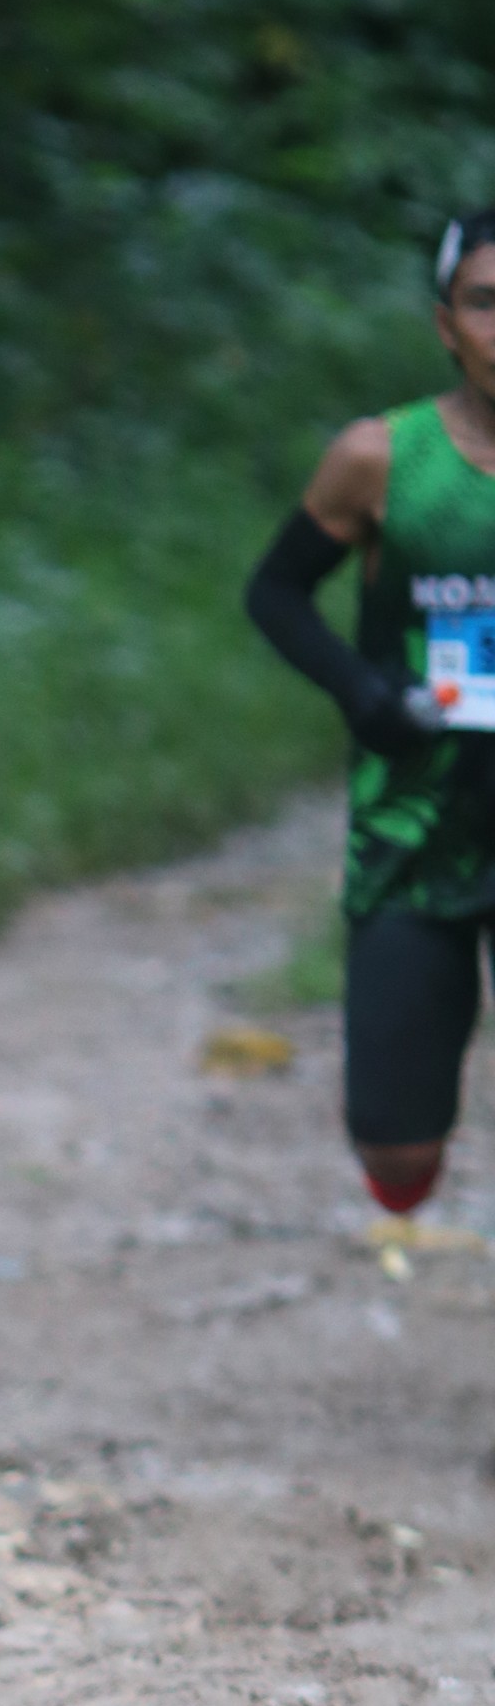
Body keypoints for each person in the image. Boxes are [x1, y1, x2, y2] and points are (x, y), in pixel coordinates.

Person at [246, 212, 495, 1216]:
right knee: (396, 1150)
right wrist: (362, 692)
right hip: (416, 825)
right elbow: (275, 593)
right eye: (486, 303)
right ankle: (405, 1163)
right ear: (446, 324)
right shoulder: (381, 457)